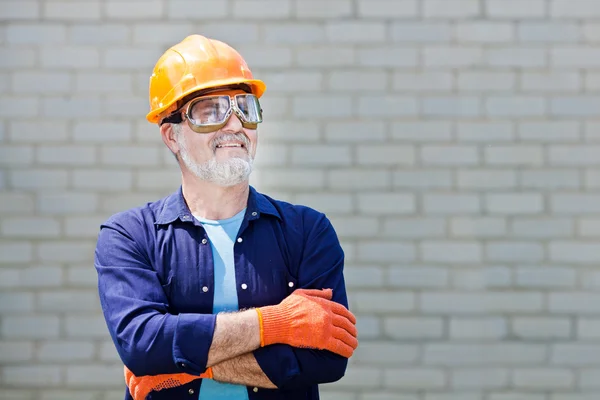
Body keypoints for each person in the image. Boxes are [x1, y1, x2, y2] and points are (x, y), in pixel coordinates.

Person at [94, 34, 358, 400]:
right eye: (211, 110)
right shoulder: (130, 236)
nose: (235, 125)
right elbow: (142, 345)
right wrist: (276, 323)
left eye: (245, 108)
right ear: (171, 135)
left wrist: (184, 368)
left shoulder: (307, 231)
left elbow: (327, 358)